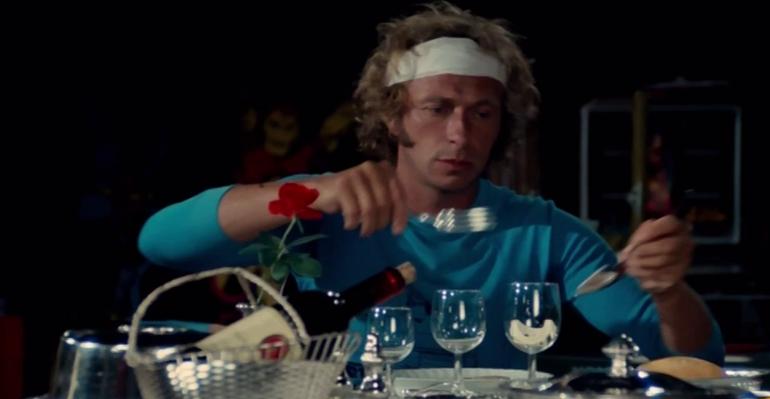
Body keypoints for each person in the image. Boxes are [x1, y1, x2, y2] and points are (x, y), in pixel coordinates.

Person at [138, 2, 723, 369]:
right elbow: (161, 243)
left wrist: (670, 291)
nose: (459, 134)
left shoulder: (544, 231)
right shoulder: (328, 205)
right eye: (436, 109)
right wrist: (310, 194)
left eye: (482, 114)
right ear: (393, 119)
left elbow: (695, 357)